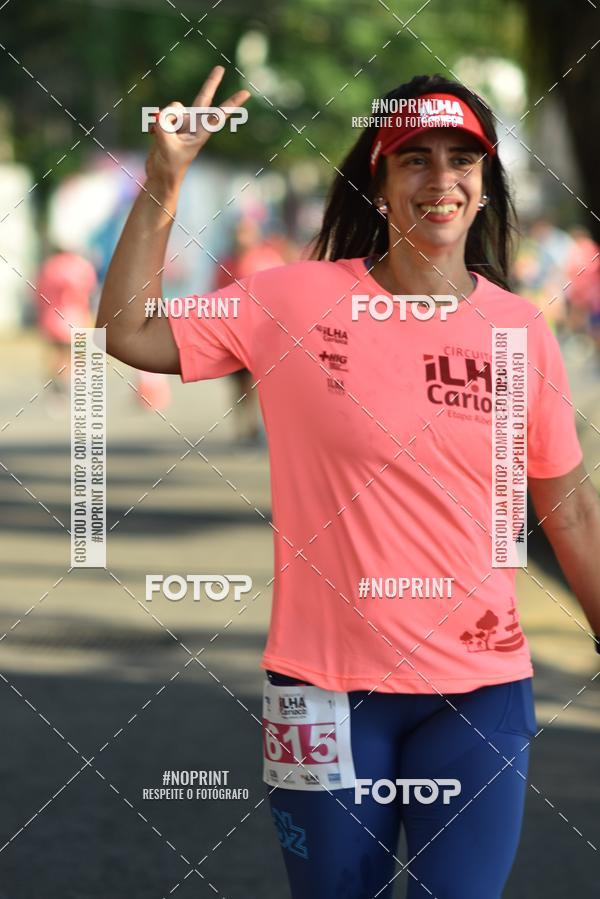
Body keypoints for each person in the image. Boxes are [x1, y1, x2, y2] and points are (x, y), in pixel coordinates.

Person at [96, 67, 600, 898]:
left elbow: (572, 505)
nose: (441, 179)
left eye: (461, 160)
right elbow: (127, 332)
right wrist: (163, 179)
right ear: (379, 181)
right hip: (320, 695)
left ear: (484, 185)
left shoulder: (520, 331)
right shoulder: (293, 303)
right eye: (415, 159)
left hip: (479, 695)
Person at [214, 216, 286, 443]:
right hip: (234, 334)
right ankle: (243, 425)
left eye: (246, 233)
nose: (241, 238)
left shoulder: (269, 259)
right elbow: (216, 296)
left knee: (260, 383)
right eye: (238, 233)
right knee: (239, 385)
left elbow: (285, 295)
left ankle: (257, 425)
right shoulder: (226, 263)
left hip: (263, 336)